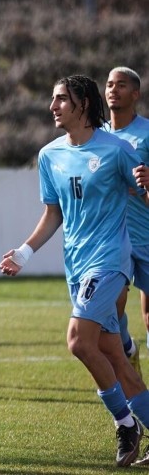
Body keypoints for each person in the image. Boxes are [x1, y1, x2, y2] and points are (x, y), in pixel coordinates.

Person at [0, 74, 149, 468]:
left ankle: (126, 424)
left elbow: (145, 196)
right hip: (77, 266)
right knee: (113, 356)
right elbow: (54, 214)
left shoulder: (116, 149)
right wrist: (24, 252)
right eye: (52, 99)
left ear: (83, 103)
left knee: (78, 341)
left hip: (111, 261)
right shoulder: (50, 155)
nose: (53, 107)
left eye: (61, 99)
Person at [104, 68, 149, 380]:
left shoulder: (147, 133)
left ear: (135, 94)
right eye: (109, 84)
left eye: (121, 85)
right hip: (113, 238)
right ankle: (127, 348)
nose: (113, 90)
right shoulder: (96, 136)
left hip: (145, 234)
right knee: (112, 306)